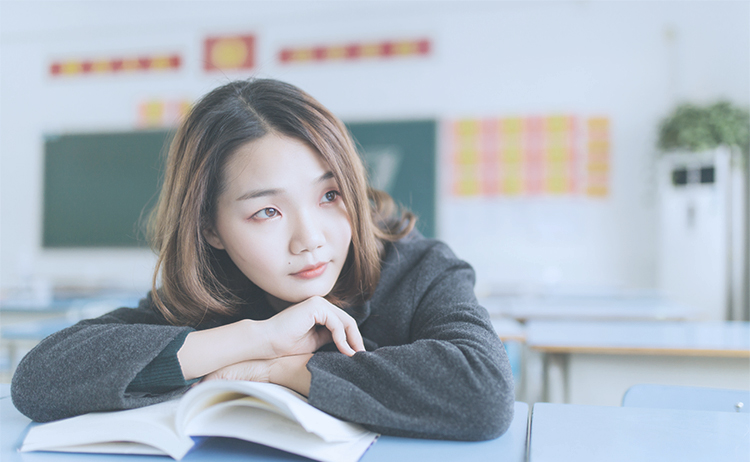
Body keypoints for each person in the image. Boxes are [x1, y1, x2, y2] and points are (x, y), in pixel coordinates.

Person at [11, 78, 514, 440]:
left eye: (330, 195)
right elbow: (40, 379)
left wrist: (279, 372)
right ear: (210, 227)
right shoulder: (216, 293)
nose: (310, 240)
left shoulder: (418, 270)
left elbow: (483, 392)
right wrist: (256, 339)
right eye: (268, 211)